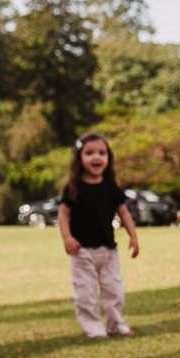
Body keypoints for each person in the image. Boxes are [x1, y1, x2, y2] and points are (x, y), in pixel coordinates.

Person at [57, 132, 139, 338]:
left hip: (108, 249)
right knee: (85, 292)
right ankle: (93, 327)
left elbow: (124, 213)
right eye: (90, 153)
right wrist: (67, 237)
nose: (96, 157)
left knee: (114, 290)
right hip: (82, 250)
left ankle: (115, 324)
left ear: (108, 157)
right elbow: (62, 213)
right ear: (79, 158)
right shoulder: (74, 188)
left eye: (102, 153)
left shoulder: (111, 187)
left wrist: (133, 236)